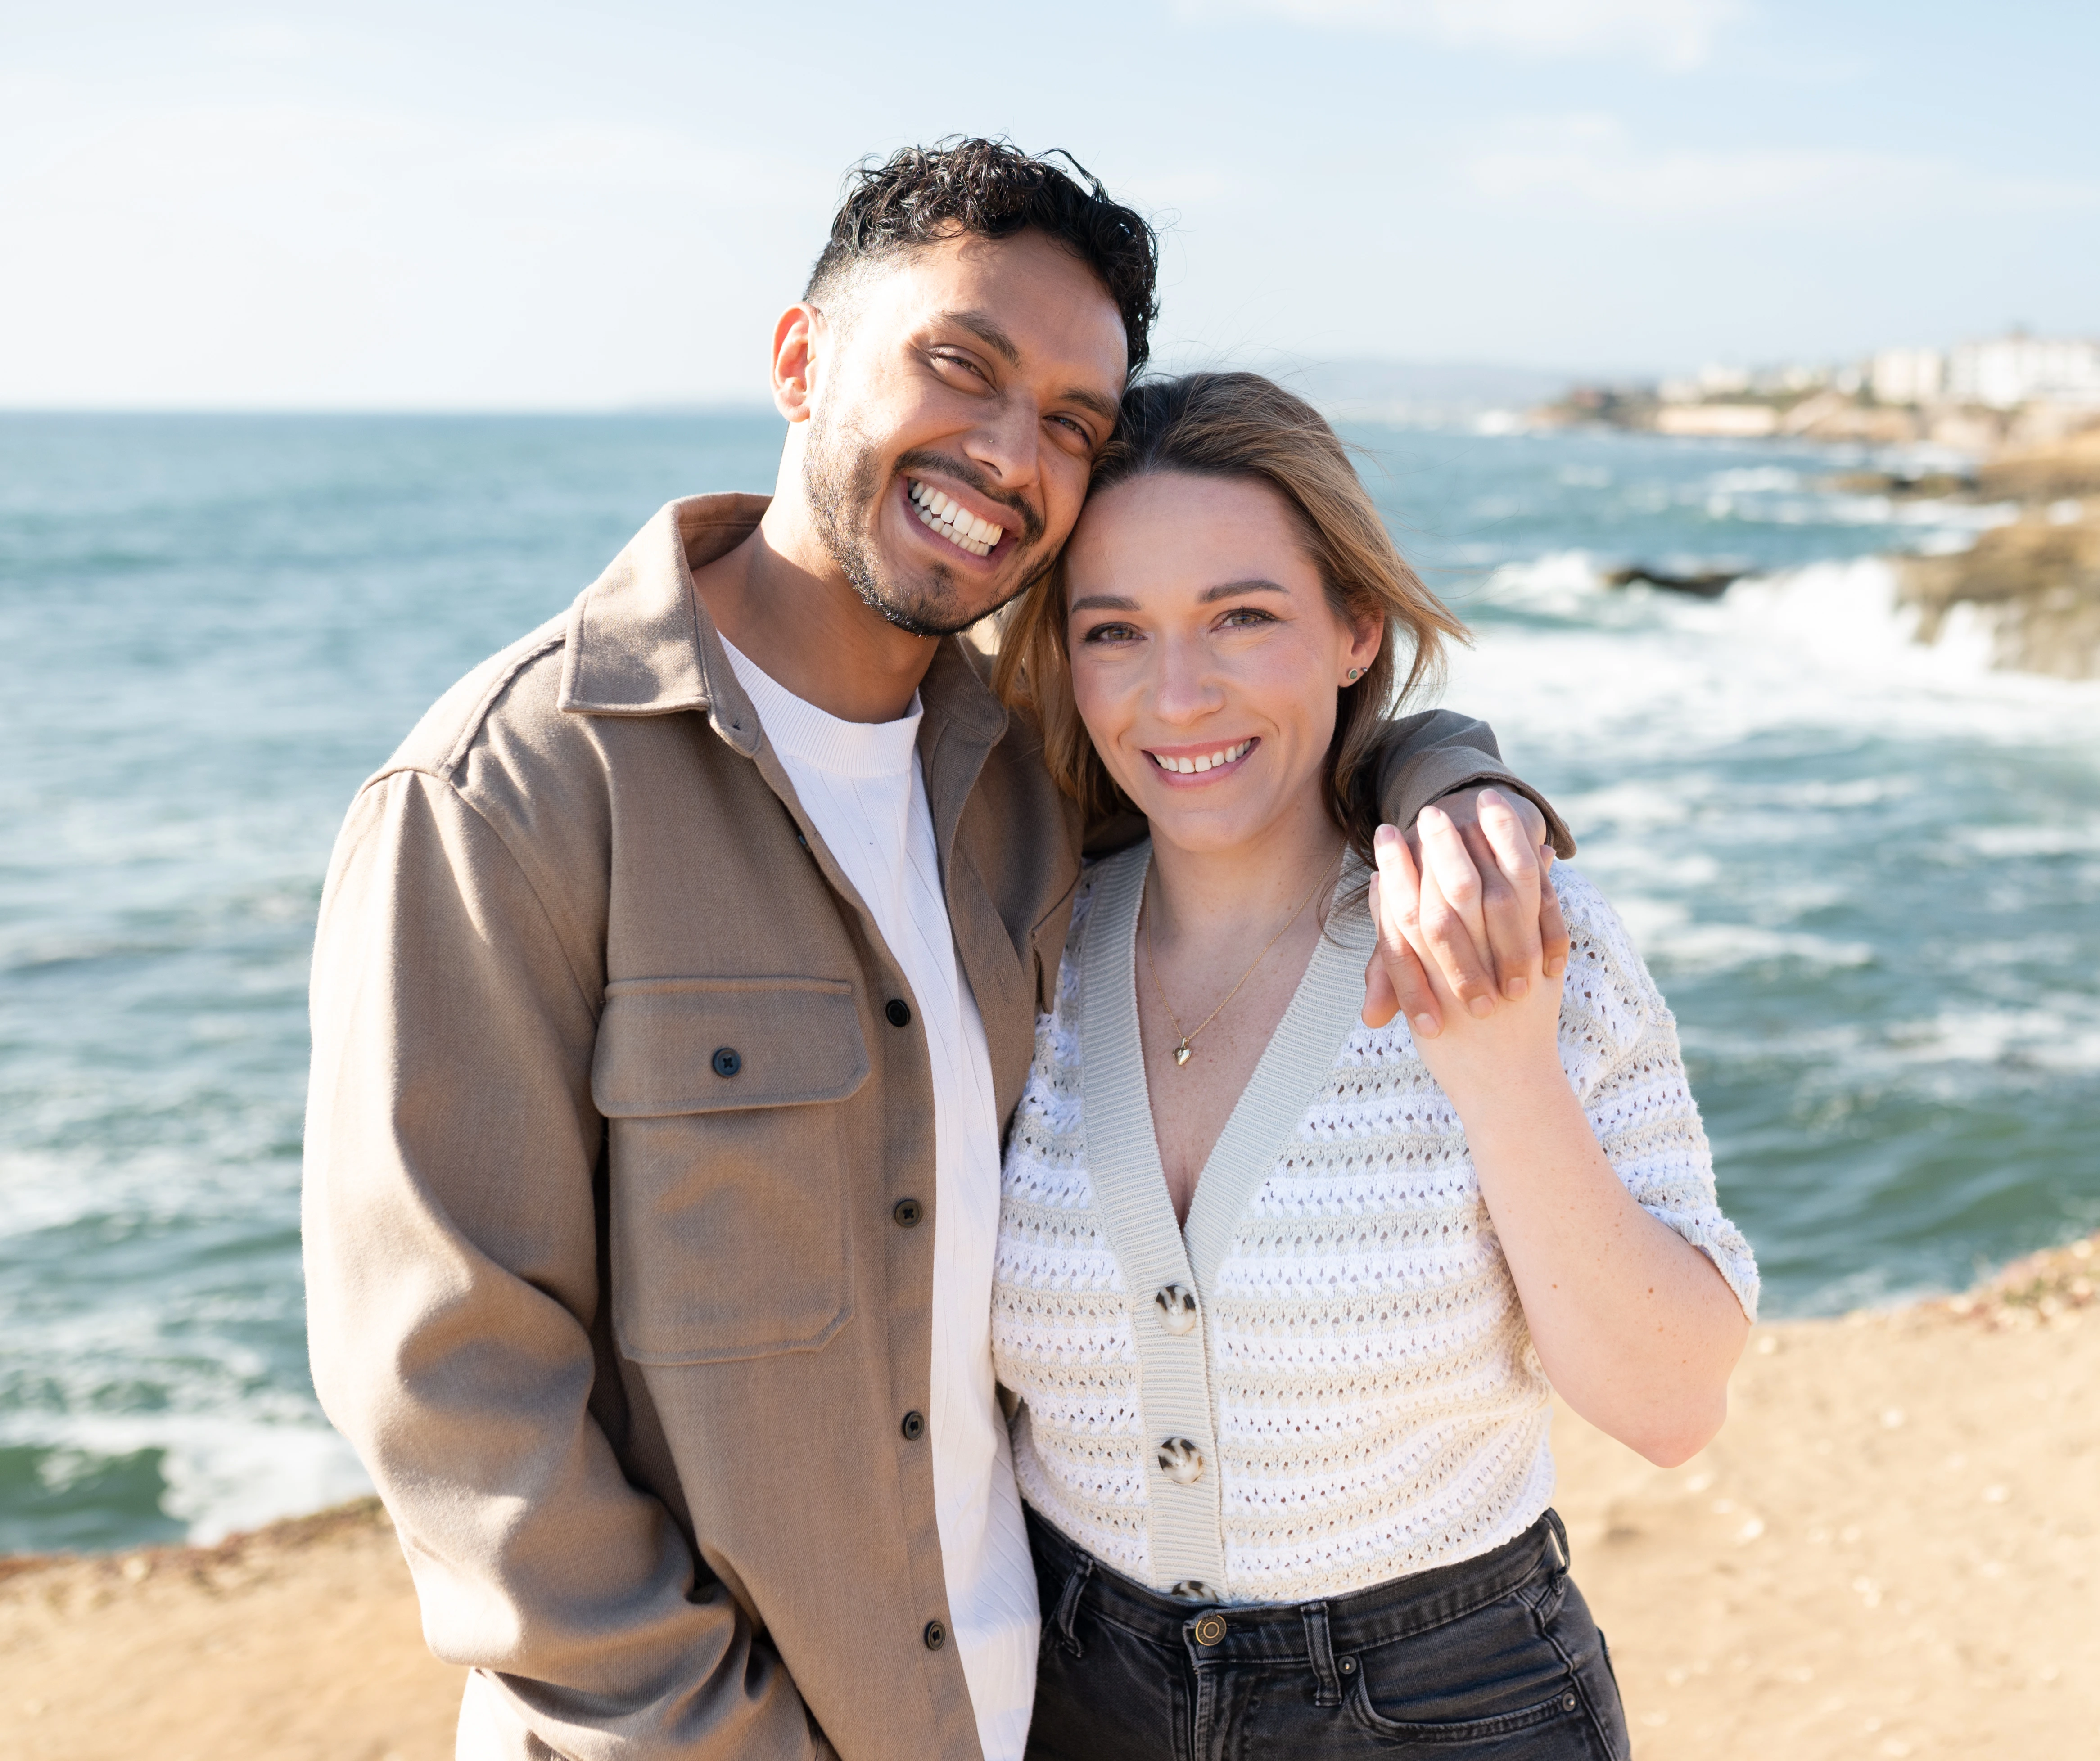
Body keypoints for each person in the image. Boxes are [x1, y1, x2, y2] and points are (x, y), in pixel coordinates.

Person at [301, 142, 1565, 1761]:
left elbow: (1250, 764)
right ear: (799, 358)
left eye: (1068, 424)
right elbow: (454, 1389)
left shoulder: (1025, 784)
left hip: (1036, 1708)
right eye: (960, 365)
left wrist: (1441, 774)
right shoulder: (513, 795)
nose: (1006, 452)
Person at [987, 372, 1760, 1759]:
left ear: (1357, 626)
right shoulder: (1012, 951)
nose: (1179, 694)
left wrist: (1501, 1066)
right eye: (1117, 632)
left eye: (1243, 617)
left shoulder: (1520, 927)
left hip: (1445, 1705)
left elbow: (1670, 1405)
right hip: (1067, 1694)